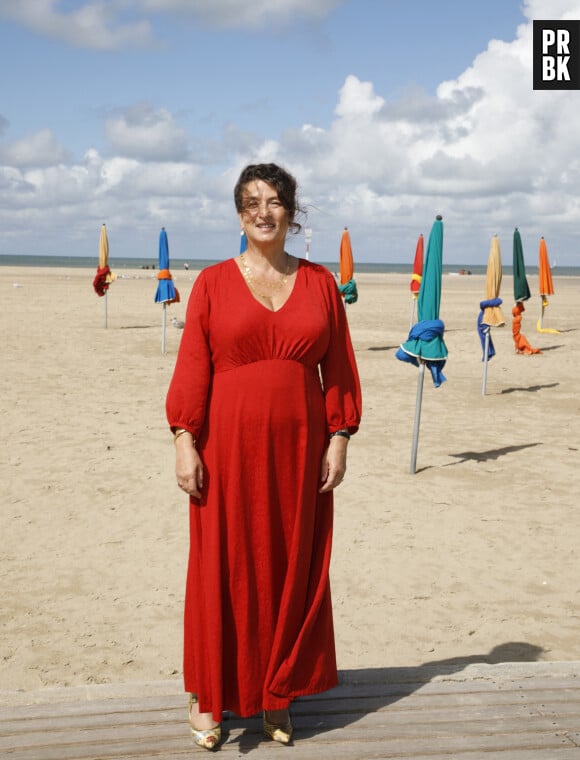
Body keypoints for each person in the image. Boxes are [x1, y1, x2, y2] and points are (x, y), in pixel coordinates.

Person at [166, 162, 362, 750]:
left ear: (291, 211)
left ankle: (276, 695)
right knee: (220, 565)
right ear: (238, 213)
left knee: (289, 564)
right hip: (225, 449)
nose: (263, 211)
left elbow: (341, 368)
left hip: (301, 452)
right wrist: (184, 441)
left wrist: (340, 435)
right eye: (251, 202)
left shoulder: (322, 284)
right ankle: (209, 695)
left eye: (274, 201)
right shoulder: (213, 283)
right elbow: (193, 367)